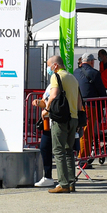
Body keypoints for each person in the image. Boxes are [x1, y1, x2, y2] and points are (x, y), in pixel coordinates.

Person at [34, 55, 79, 193]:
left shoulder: (56, 76)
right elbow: (79, 100)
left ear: (55, 65)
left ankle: (63, 184)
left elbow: (53, 95)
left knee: (58, 151)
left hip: (60, 118)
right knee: (69, 151)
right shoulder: (72, 78)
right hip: (73, 117)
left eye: (49, 66)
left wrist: (46, 110)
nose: (48, 69)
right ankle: (71, 183)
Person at [74, 54, 103, 161]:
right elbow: (102, 91)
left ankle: (77, 154)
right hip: (89, 106)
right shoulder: (95, 73)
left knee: (77, 131)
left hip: (76, 105)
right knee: (86, 132)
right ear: (91, 62)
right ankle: (83, 158)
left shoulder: (75, 72)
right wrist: (105, 105)